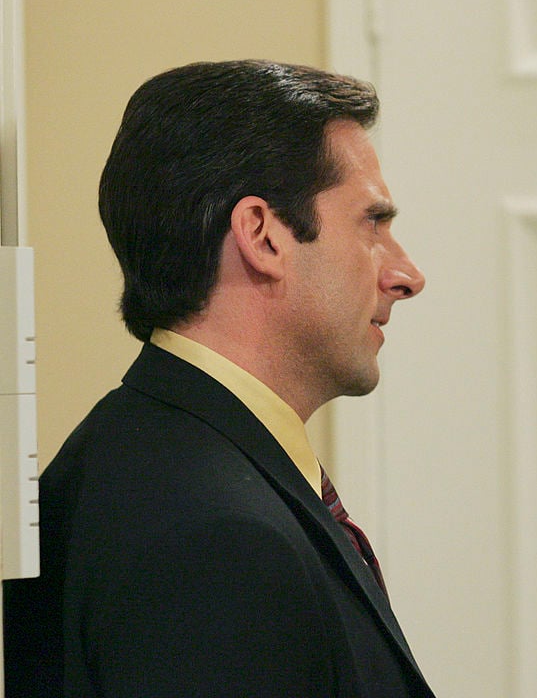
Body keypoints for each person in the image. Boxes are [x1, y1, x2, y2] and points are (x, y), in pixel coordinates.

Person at [3, 60, 433, 697]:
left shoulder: (151, 459)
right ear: (262, 235)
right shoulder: (215, 534)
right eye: (372, 223)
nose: (406, 276)